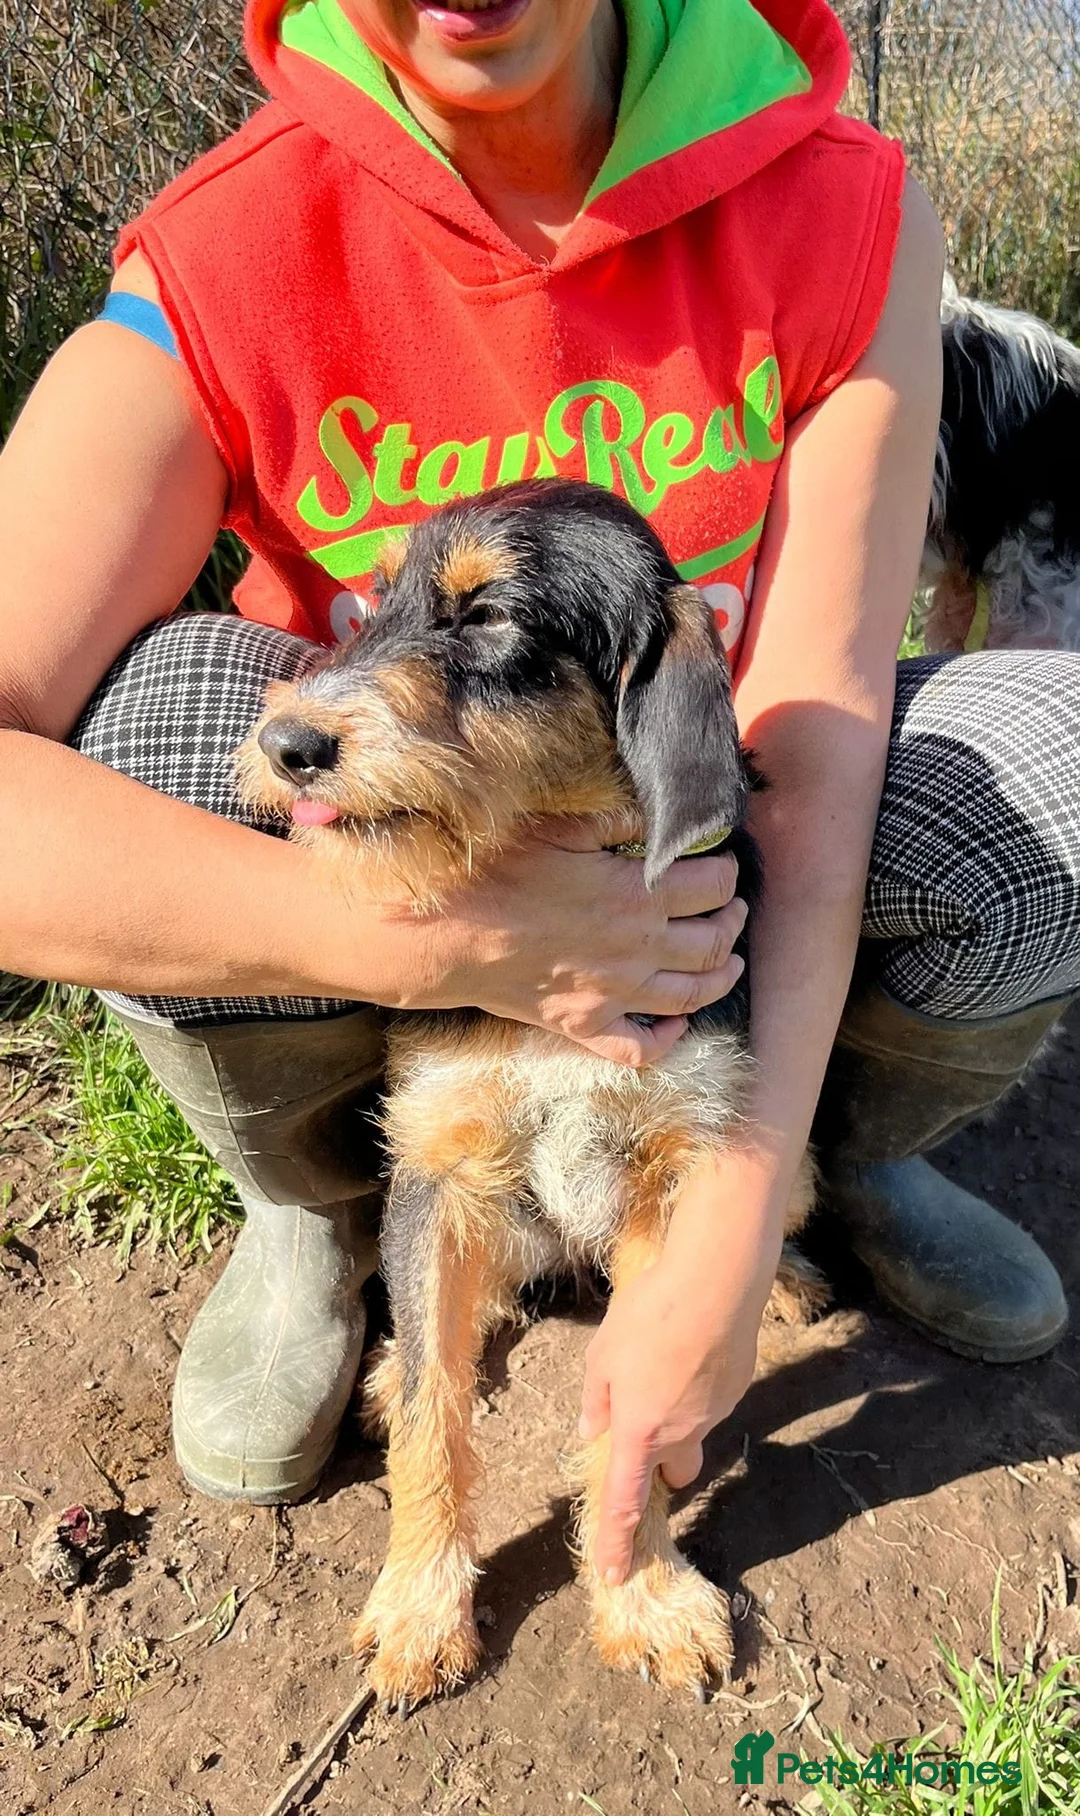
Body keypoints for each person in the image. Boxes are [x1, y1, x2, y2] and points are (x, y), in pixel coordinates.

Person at [0, 0, 1073, 1594]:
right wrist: (462, 948)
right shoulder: (220, 256)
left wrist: (735, 1202)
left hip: (693, 841)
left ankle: (838, 1160)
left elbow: (812, 745)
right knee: (153, 723)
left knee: (1055, 764)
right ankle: (312, 1207)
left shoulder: (842, 208)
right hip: (380, 889)